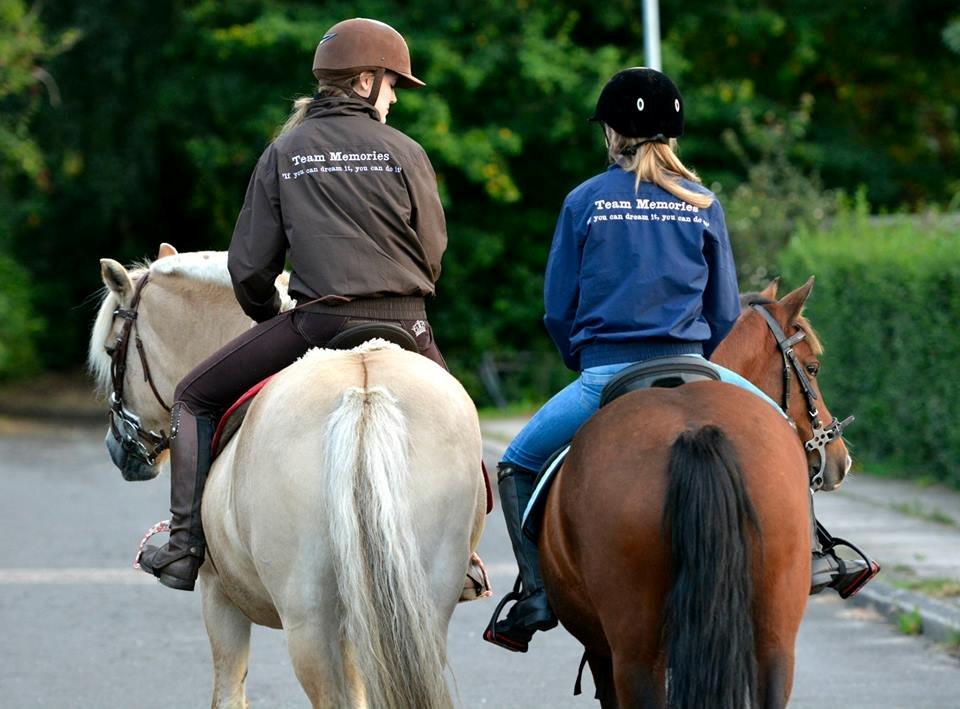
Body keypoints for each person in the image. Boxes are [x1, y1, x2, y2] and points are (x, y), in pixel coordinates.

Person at [483, 67, 877, 653]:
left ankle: (535, 595)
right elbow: (722, 312)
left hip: (609, 373)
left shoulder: (583, 201)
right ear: (673, 134)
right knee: (774, 436)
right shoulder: (702, 202)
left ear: (613, 132)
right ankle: (819, 551)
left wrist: (582, 360)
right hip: (696, 365)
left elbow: (559, 308)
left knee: (517, 462)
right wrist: (701, 361)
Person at [139, 18, 449, 591]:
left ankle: (184, 545)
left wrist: (267, 316)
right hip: (408, 322)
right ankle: (465, 561)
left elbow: (249, 266)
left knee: (191, 398)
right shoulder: (407, 151)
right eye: (393, 84)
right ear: (363, 82)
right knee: (461, 431)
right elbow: (432, 251)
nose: (395, 96)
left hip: (318, 324)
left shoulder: (284, 152)